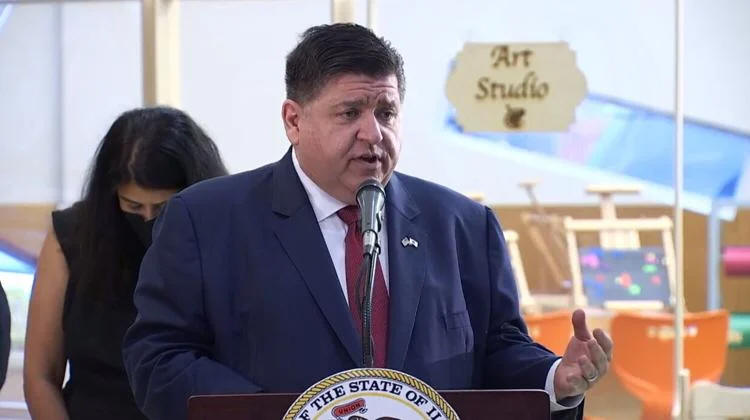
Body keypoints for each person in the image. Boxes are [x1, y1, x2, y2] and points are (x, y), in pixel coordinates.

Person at [123, 24, 613, 420]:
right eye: (350, 112)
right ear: (293, 121)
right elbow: (159, 359)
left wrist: (555, 379)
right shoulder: (206, 220)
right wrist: (281, 415)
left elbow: (497, 351)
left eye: (386, 112)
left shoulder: (462, 225)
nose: (373, 133)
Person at [23, 107, 228, 420]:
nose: (147, 218)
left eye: (163, 208)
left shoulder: (225, 232)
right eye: (133, 206)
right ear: (110, 194)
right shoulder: (73, 237)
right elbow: (40, 376)